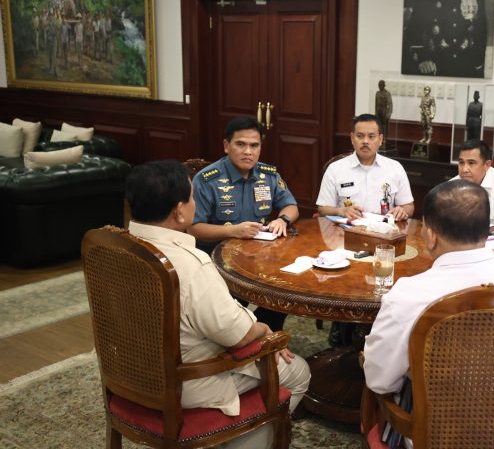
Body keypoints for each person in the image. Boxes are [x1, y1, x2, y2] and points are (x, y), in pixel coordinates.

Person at [125, 160, 310, 449]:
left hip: (128, 370)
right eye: (191, 196)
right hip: (186, 382)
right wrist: (265, 331)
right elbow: (237, 335)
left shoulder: (112, 247)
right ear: (179, 210)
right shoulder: (190, 265)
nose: (194, 202)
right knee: (297, 371)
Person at [363, 179, 494, 411]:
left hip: (435, 433)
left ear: (431, 236)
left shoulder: (409, 294)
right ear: (487, 231)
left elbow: (380, 381)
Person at [189, 117, 299, 330]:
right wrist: (233, 231)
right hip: (218, 264)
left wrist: (281, 219)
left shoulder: (268, 175)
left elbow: (291, 206)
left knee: (286, 291)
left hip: (260, 258)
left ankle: (264, 335)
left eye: (254, 145)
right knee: (231, 316)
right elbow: (194, 228)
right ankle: (242, 336)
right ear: (226, 146)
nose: (248, 151)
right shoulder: (207, 180)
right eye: (241, 144)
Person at [317, 113, 414, 221]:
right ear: (352, 138)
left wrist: (401, 211)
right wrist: (341, 211)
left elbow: (409, 207)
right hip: (346, 231)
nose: (365, 141)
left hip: (384, 232)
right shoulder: (335, 169)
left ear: (380, 139)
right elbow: (322, 209)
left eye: (371, 136)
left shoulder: (395, 168)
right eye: (360, 136)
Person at [374, 80, 393, 144]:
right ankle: (380, 138)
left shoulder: (387, 93)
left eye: (381, 85)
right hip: (378, 110)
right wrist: (376, 113)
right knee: (379, 125)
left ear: (384, 85)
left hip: (384, 110)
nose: (380, 86)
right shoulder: (377, 93)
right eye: (379, 85)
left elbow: (390, 104)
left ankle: (385, 138)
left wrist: (389, 113)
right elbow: (376, 104)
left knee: (385, 126)